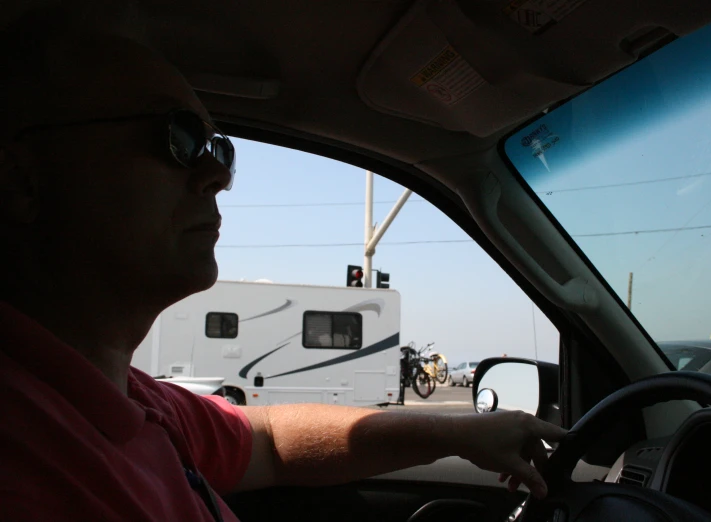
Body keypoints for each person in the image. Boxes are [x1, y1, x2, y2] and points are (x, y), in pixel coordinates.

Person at [0, 3, 566, 521]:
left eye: (219, 147)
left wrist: (459, 435)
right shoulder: (29, 462)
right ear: (22, 180)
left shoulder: (134, 401)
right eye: (175, 137)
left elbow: (269, 436)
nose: (218, 175)